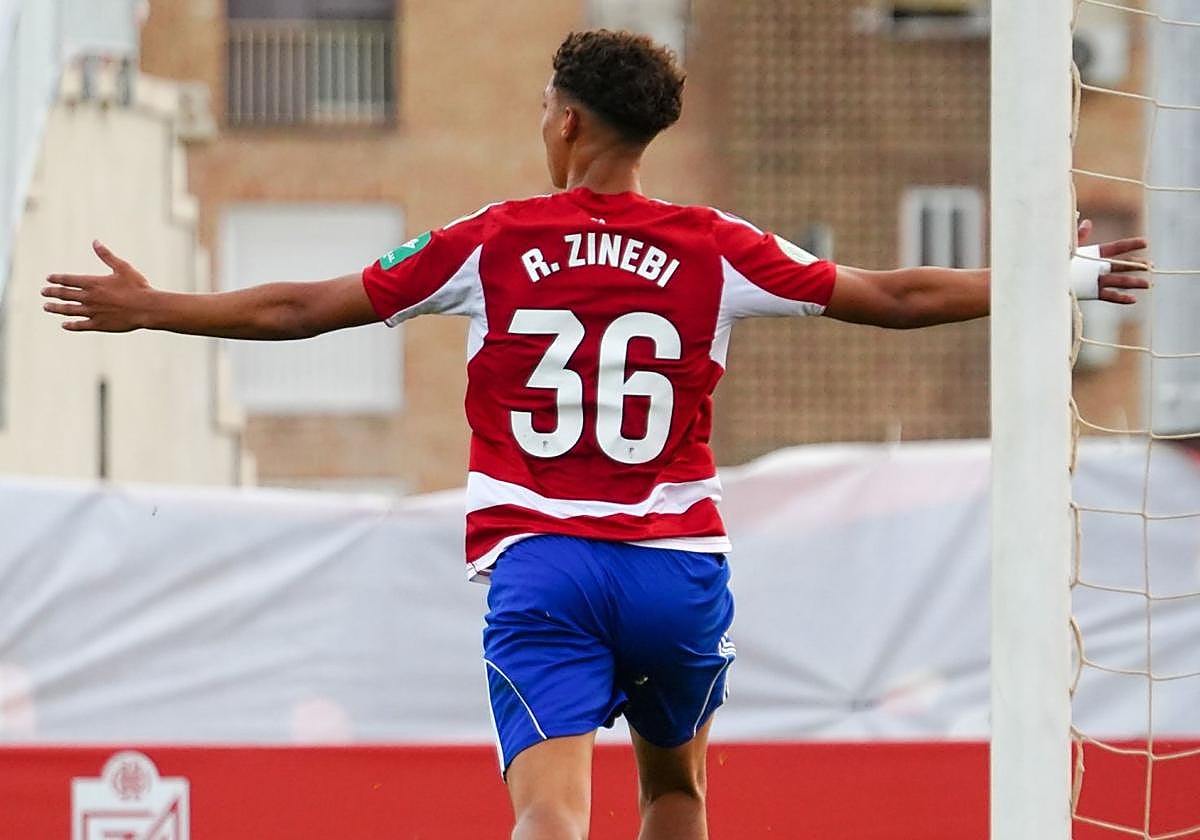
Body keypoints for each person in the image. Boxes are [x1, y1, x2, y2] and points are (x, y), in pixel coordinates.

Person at [43, 28, 1147, 840]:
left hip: (546, 565)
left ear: (567, 122)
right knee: (675, 791)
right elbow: (894, 296)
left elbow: (300, 309)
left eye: (542, 108)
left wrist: (157, 308)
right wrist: (1060, 276)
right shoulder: (714, 245)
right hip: (676, 569)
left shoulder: (493, 241)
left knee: (551, 815)